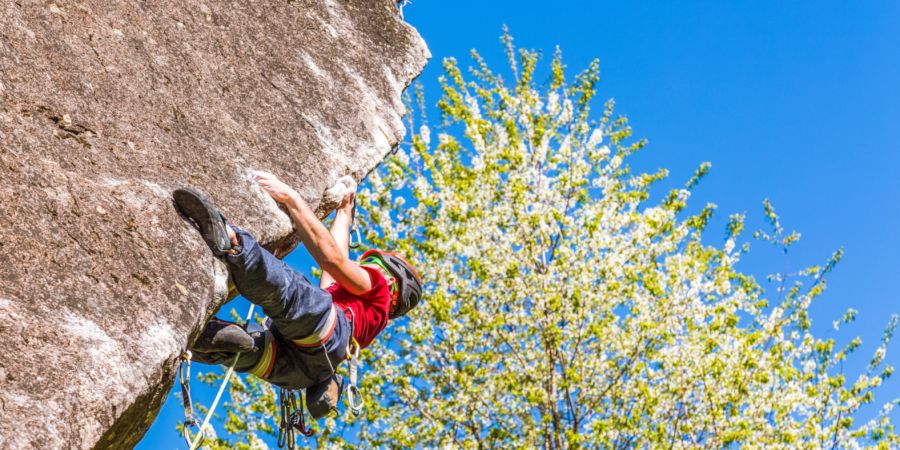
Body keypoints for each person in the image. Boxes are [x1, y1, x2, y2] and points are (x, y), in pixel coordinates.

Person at [173, 171, 422, 419]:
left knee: (287, 292)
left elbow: (333, 260)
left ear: (391, 282)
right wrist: (344, 212)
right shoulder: (366, 316)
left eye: (370, 264)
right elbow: (336, 261)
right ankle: (210, 339)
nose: (360, 266)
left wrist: (291, 199)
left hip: (325, 329)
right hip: (305, 369)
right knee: (246, 349)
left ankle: (233, 242)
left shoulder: (378, 286)